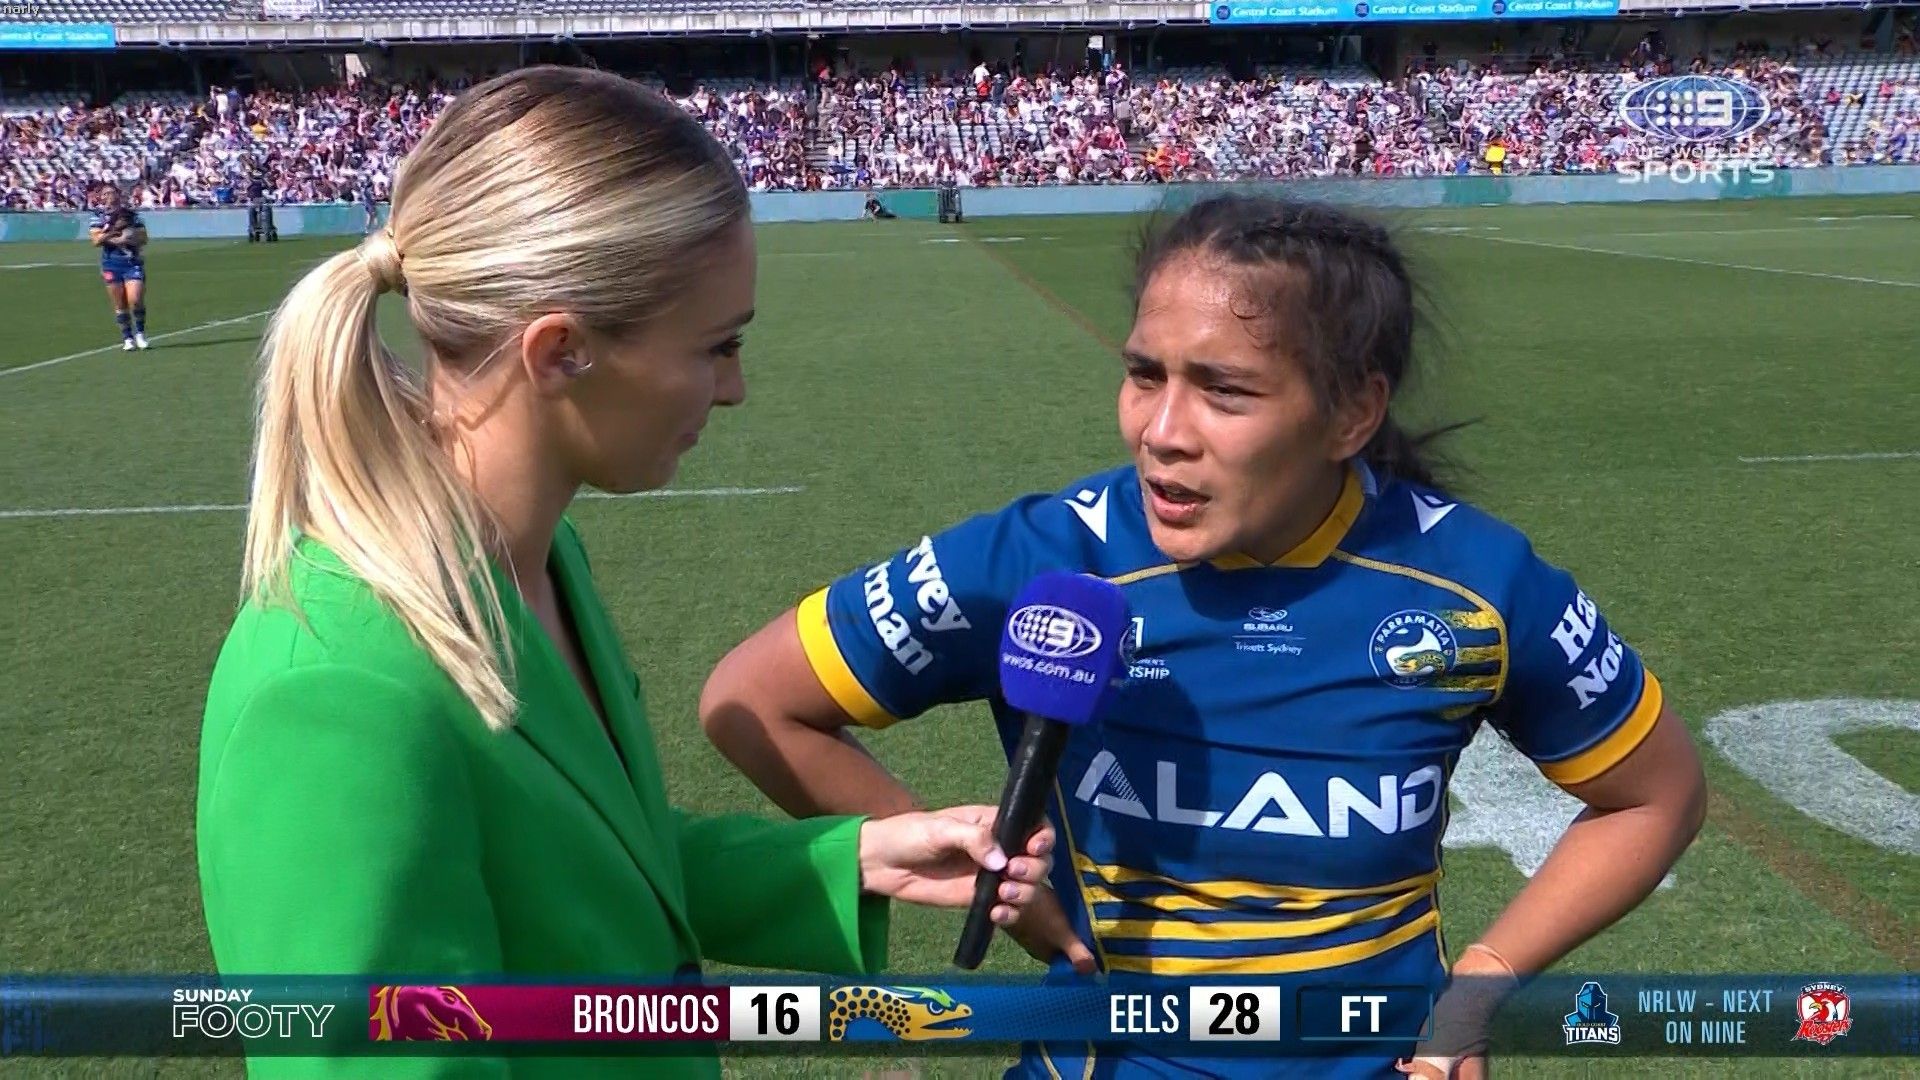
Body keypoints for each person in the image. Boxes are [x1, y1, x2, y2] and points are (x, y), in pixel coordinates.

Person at [701, 195, 1708, 1079]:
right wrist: (978, 868)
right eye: (1145, 374)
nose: (1162, 431)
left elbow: (1655, 795)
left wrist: (1484, 978)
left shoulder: (1475, 584)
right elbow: (754, 703)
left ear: (1354, 411)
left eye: (1225, 390)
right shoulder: (1045, 561)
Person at [197, 66, 1056, 1080]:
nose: (734, 389)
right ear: (560, 351)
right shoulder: (335, 695)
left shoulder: (536, 557)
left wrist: (853, 857)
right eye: (716, 347)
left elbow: (594, 867)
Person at [87, 184, 148, 351]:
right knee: (120, 303)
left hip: (132, 261)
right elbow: (96, 240)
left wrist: (130, 238)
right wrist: (115, 236)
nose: (109, 196)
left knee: (135, 299)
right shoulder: (98, 217)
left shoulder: (131, 215)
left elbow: (143, 238)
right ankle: (127, 338)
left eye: (112, 192)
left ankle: (140, 333)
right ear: (101, 197)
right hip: (111, 263)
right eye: (105, 193)